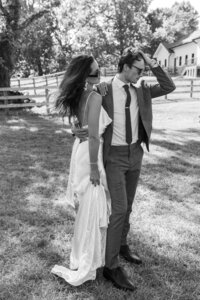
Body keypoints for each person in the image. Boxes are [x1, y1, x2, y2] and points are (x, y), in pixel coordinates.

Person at [73, 49, 176, 291]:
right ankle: (110, 266)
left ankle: (122, 244)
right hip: (114, 157)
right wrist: (75, 130)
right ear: (126, 66)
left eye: (144, 70)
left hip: (135, 153)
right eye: (138, 69)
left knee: (127, 205)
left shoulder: (143, 90)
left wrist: (153, 64)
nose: (142, 74)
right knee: (118, 209)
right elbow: (82, 112)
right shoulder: (103, 89)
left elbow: (169, 86)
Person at [51, 55, 112, 286]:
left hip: (80, 150)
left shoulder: (79, 96)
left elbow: (78, 126)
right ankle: (88, 259)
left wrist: (76, 131)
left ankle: (85, 255)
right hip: (90, 154)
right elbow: (94, 135)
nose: (99, 76)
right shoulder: (93, 97)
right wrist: (95, 168)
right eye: (95, 73)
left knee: (87, 205)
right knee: (91, 205)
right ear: (85, 76)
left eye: (99, 71)